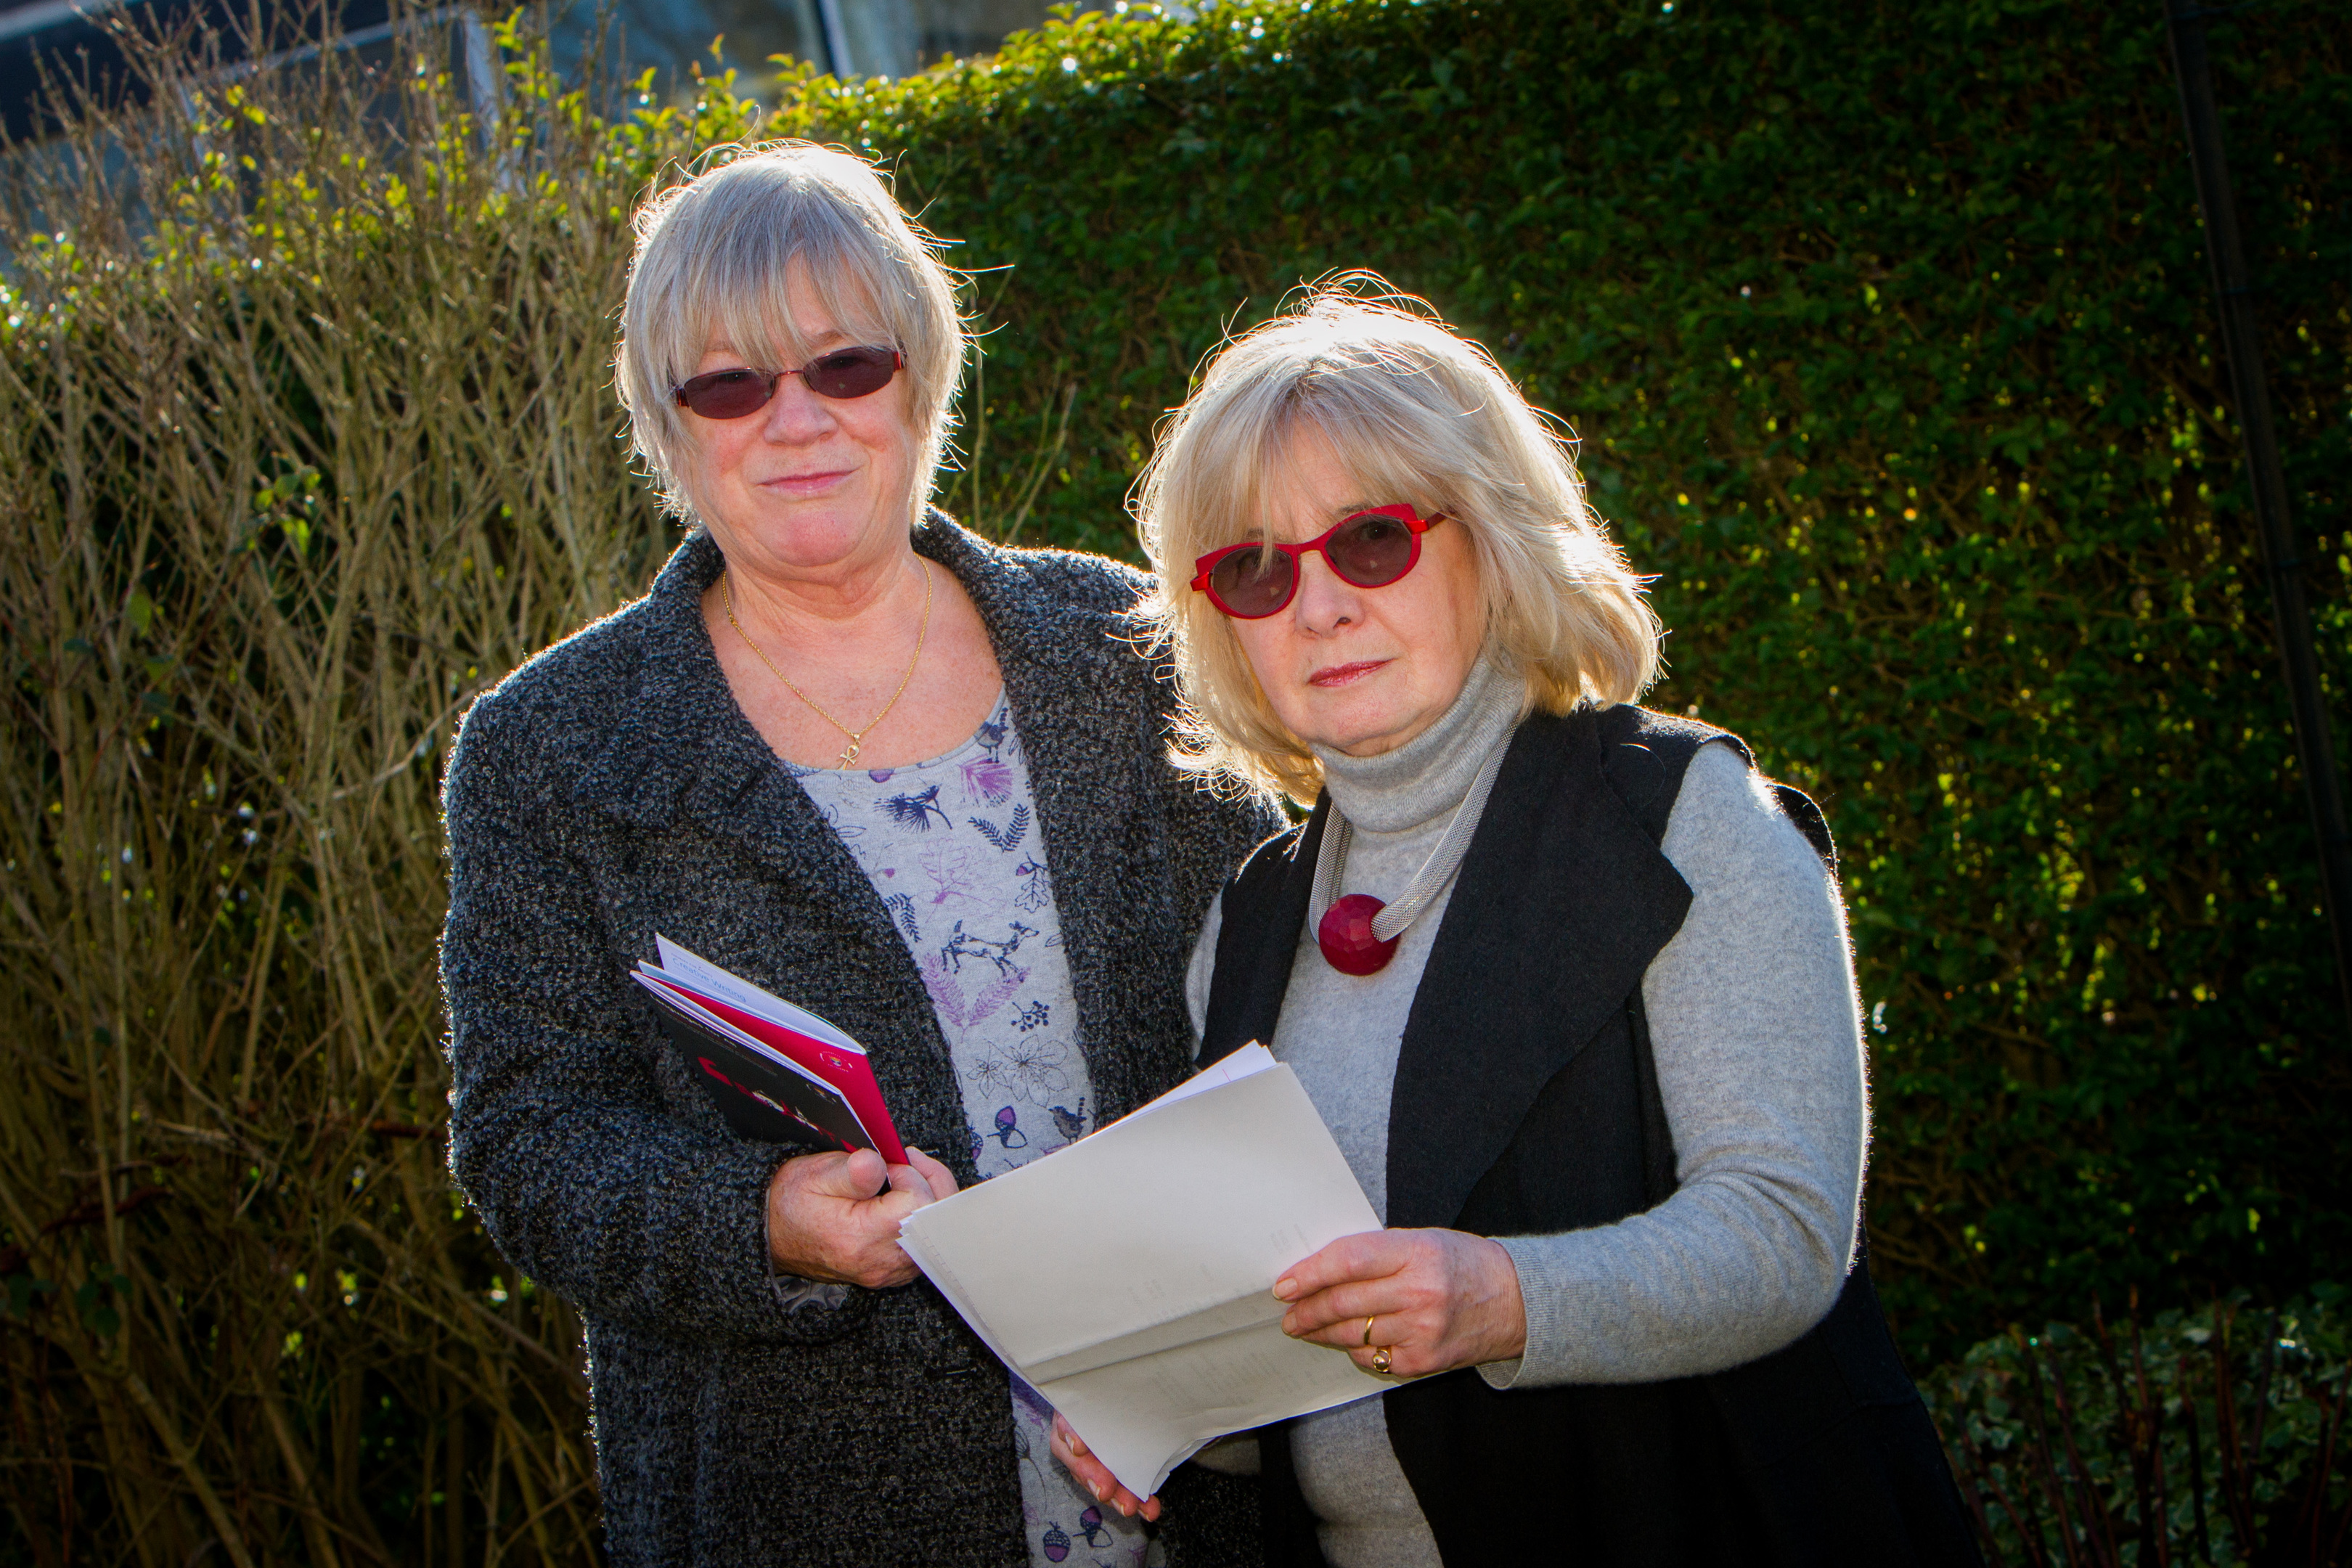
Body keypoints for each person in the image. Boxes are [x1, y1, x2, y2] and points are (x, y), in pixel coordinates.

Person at [438, 142, 1275, 1567]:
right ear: (666, 421)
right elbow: (529, 1136)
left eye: (845, 365)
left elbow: (1291, 995)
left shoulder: (1131, 652)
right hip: (809, 1504)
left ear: (923, 376)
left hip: (1194, 1466)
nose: (796, 421)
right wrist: (756, 1218)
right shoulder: (553, 752)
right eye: (730, 383)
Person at [1053, 282, 1983, 1566]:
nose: (1317, 606)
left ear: (1491, 539)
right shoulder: (1255, 912)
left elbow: (1782, 1234)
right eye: (1255, 570)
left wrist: (1503, 1302)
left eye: (1370, 540)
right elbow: (1296, 1348)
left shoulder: (1676, 817)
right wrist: (1161, 1409)